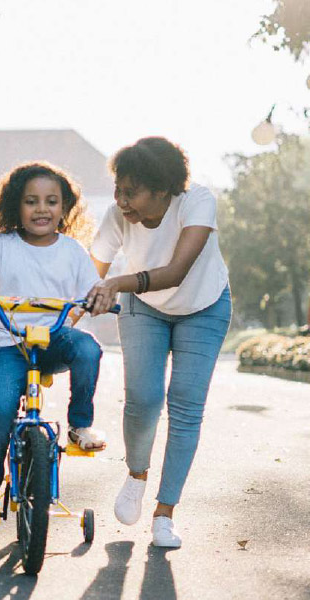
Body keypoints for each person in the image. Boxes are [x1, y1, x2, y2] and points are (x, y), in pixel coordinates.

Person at [0, 162, 107, 532]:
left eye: (51, 201)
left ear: (64, 208)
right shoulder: (2, 246)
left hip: (53, 340)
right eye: (31, 201)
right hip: (8, 343)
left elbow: (92, 291)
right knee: (1, 411)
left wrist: (99, 299)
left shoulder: (72, 251)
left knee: (88, 349)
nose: (41, 209)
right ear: (15, 207)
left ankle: (80, 425)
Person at [87, 137, 231, 548]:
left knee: (185, 405)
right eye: (118, 189)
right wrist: (67, 313)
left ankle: (165, 514)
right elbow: (88, 273)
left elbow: (176, 272)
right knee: (144, 398)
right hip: (144, 308)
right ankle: (136, 474)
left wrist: (115, 282)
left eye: (131, 192)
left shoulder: (196, 202)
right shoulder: (118, 215)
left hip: (203, 306)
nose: (121, 201)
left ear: (163, 190)